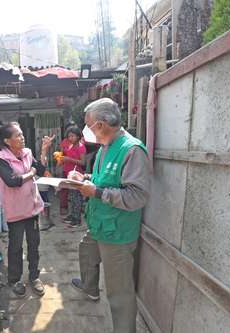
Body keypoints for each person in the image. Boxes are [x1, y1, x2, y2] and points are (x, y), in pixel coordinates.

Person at [68, 98, 150, 333]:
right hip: (99, 224)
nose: (86, 130)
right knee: (86, 250)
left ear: (102, 124)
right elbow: (102, 180)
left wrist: (98, 192)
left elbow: (137, 197)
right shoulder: (105, 147)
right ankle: (90, 287)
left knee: (119, 292)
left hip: (117, 232)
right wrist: (84, 179)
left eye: (88, 124)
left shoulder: (132, 150)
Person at [0, 122, 54, 298]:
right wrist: (32, 172)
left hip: (32, 207)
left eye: (21, 134)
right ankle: (14, 279)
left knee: (34, 244)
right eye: (18, 135)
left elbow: (41, 169)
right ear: (7, 140)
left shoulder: (27, 153)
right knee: (15, 247)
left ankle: (34, 276)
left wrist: (44, 150)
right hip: (16, 211)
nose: (22, 137)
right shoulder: (0, 159)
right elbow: (12, 181)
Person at [60, 126, 86, 227]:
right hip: (69, 174)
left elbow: (83, 162)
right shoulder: (70, 146)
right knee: (72, 196)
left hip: (77, 176)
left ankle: (77, 219)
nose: (70, 138)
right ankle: (72, 215)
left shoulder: (81, 147)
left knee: (77, 197)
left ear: (78, 136)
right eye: (69, 136)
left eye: (72, 136)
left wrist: (69, 159)